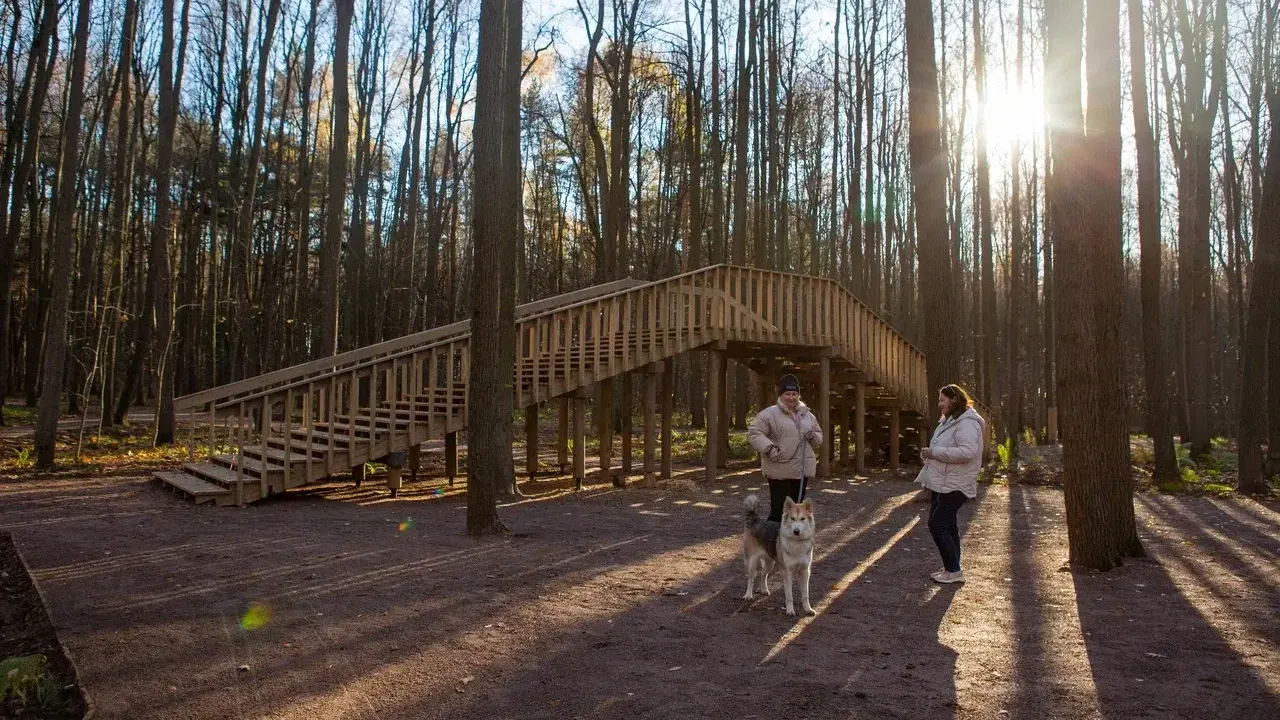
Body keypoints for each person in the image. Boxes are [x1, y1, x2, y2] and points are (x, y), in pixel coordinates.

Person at [916, 384, 985, 584]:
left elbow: (967, 452)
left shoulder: (967, 424)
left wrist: (935, 452)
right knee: (948, 525)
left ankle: (953, 570)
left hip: (955, 484)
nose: (939, 404)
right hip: (944, 482)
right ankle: (952, 568)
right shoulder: (949, 421)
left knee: (937, 524)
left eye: (942, 400)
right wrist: (929, 454)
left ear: (954, 400)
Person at [747, 374, 824, 522]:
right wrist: (769, 448)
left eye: (794, 394)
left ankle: (790, 537)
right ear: (781, 395)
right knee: (779, 512)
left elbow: (819, 437)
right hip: (779, 469)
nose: (791, 397)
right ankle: (771, 536)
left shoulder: (808, 416)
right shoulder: (769, 414)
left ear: (798, 395)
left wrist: (813, 436)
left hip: (801, 471)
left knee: (795, 514)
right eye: (787, 394)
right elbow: (755, 432)